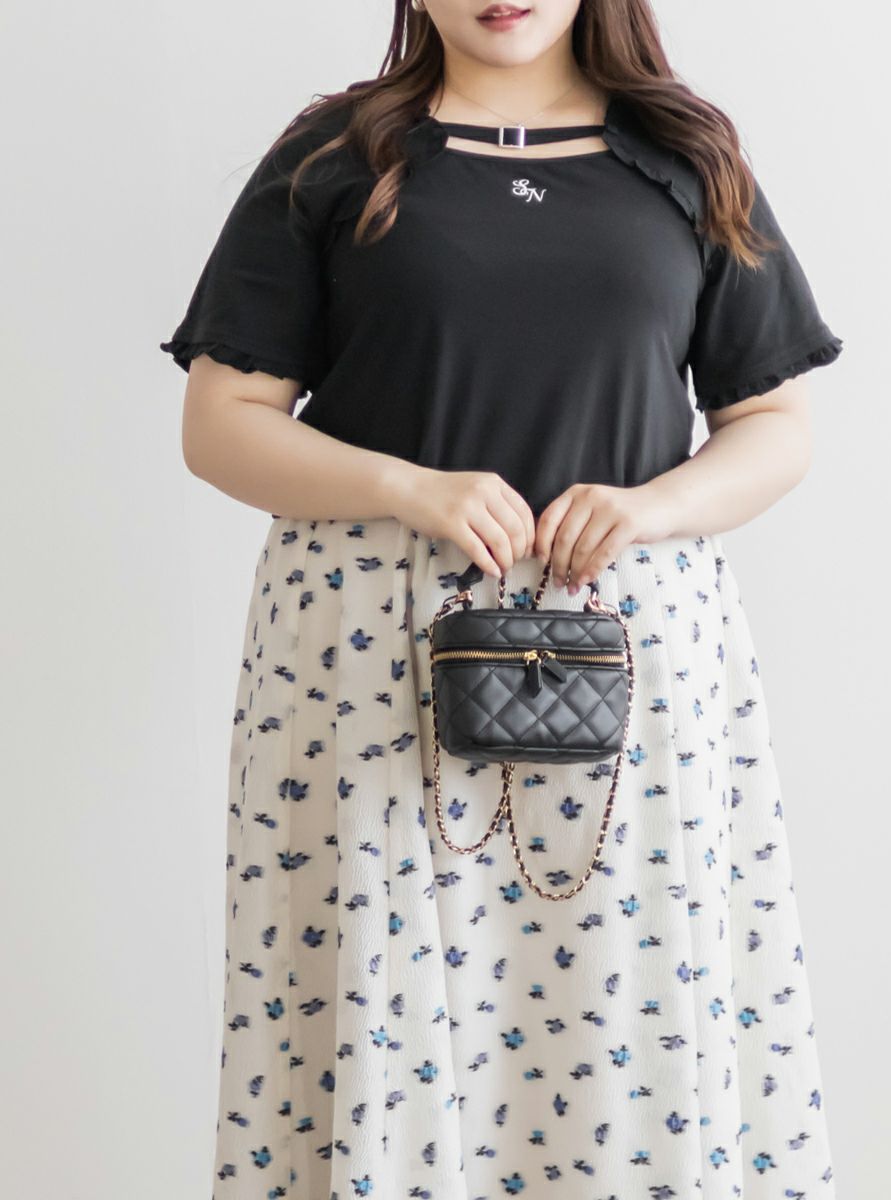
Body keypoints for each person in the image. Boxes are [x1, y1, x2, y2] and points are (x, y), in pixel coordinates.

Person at [159, 2, 844, 1196]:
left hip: (629, 651)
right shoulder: (335, 157)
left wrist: (652, 508)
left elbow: (773, 422)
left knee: (633, 997)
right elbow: (221, 425)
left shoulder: (684, 157)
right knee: (378, 990)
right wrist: (407, 487)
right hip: (370, 656)